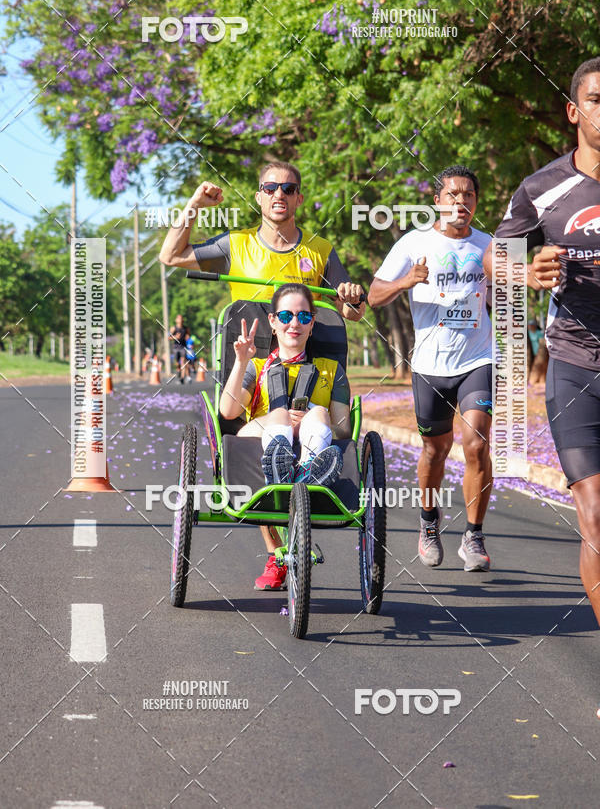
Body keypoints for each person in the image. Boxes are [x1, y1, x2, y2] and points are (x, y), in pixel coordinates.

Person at [484, 58, 600, 709]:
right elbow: (495, 259)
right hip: (577, 368)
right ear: (574, 111)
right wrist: (524, 272)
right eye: (597, 99)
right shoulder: (542, 189)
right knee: (595, 515)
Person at [368, 165, 494, 572]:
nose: (461, 202)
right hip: (430, 365)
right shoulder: (413, 242)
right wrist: (406, 281)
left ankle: (473, 536)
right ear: (436, 202)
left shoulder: (490, 245)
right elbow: (372, 296)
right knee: (434, 450)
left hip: (479, 358)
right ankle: (428, 525)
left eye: (469, 196)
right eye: (453, 195)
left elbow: (512, 293)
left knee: (476, 444)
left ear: (476, 202)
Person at [220, 283, 351, 590]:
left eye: (304, 316)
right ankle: (281, 466)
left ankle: (308, 472)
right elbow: (228, 411)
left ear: (313, 321)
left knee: (319, 413)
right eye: (287, 315)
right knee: (279, 416)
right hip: (258, 438)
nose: (295, 323)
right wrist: (241, 361)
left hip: (311, 441)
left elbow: (343, 430)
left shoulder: (331, 370)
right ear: (273, 321)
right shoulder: (254, 367)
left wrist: (308, 420)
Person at [158, 161, 366, 317]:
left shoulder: (320, 249)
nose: (279, 194)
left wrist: (354, 300)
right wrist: (194, 205)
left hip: (303, 368)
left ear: (299, 199)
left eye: (288, 189)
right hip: (248, 366)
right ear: (259, 197)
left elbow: (354, 314)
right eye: (270, 188)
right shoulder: (234, 245)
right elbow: (171, 256)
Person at [170, 314, 187, 384]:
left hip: (183, 347)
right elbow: (169, 337)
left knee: (183, 362)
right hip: (176, 347)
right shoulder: (173, 328)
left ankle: (182, 378)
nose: (180, 320)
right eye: (178, 319)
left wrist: (188, 338)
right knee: (177, 363)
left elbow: (188, 335)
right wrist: (175, 337)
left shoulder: (185, 328)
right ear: (176, 320)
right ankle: (178, 370)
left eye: (181, 318)